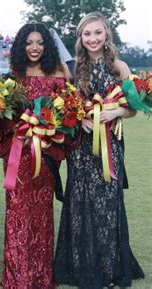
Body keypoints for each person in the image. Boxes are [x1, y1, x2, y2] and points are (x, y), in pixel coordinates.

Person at [54, 12, 144, 288]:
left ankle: (109, 269)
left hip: (110, 146)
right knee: (81, 203)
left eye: (97, 33)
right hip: (80, 147)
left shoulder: (120, 67)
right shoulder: (71, 67)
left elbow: (133, 109)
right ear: (80, 37)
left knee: (107, 203)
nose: (92, 38)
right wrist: (80, 118)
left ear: (107, 35)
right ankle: (81, 266)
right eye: (87, 34)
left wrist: (115, 110)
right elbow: (63, 106)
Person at [0, 23, 71, 289]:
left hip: (46, 156)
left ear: (47, 45)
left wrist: (48, 131)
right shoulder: (15, 74)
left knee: (42, 214)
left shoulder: (60, 72)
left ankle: (41, 276)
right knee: (16, 214)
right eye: (29, 43)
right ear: (21, 45)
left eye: (39, 43)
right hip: (18, 156)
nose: (34, 48)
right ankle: (17, 276)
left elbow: (70, 112)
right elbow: (5, 116)